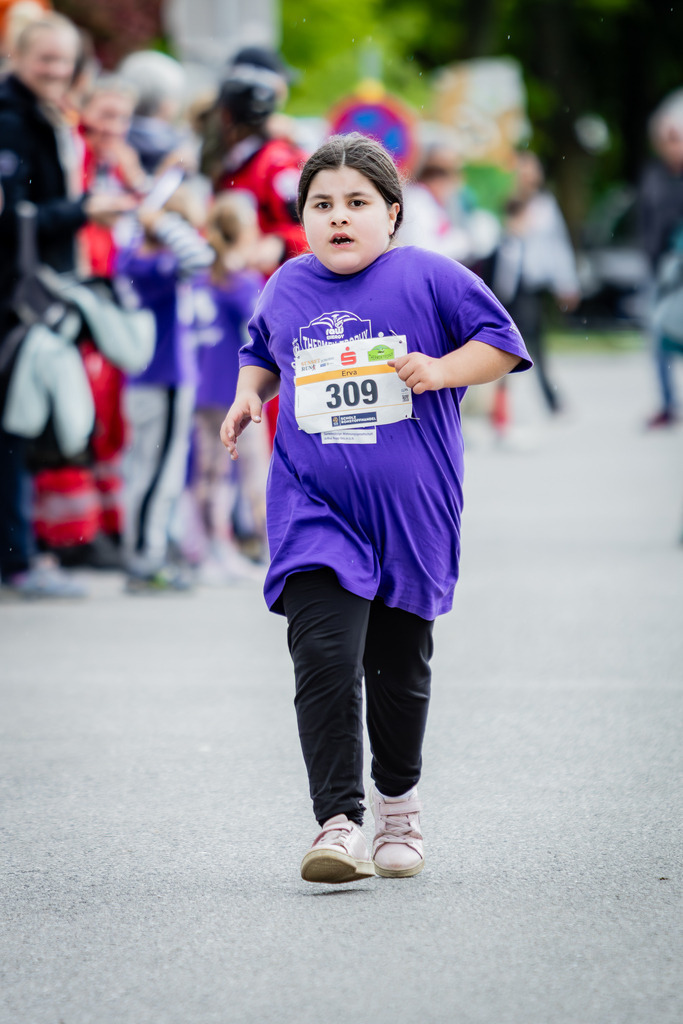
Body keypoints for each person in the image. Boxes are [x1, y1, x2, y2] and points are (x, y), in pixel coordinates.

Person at [220, 133, 531, 884]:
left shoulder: (428, 276)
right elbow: (263, 349)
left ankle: (399, 808)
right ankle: (338, 822)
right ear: (303, 219)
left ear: (391, 214)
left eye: (356, 203)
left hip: (411, 515)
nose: (338, 217)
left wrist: (441, 368)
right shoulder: (287, 284)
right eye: (321, 205)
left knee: (397, 664)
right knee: (323, 654)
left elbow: (502, 343)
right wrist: (246, 395)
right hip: (312, 507)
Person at [0, 13, 134, 597]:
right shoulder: (10, 121)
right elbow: (12, 220)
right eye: (44, 59)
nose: (55, 70)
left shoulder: (47, 116)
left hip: (39, 294)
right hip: (15, 296)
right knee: (14, 424)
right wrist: (84, 212)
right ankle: (18, 559)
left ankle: (23, 553)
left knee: (24, 425)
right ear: (17, 56)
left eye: (64, 60)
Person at [116, 183, 214, 593]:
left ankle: (153, 549)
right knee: (154, 474)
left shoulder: (145, 259)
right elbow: (200, 256)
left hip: (164, 379)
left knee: (162, 472)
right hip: (160, 379)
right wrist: (161, 220)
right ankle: (144, 558)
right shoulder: (143, 263)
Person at [190, 192, 267, 581]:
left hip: (203, 386)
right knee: (250, 469)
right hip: (235, 390)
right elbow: (262, 331)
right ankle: (256, 545)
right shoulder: (241, 281)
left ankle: (211, 550)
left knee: (209, 473)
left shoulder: (202, 279)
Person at [487, 151, 579, 416]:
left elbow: (557, 246)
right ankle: (499, 401)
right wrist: (509, 228)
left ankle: (547, 397)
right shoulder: (502, 203)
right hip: (502, 283)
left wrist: (567, 282)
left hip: (531, 283)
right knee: (499, 338)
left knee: (532, 342)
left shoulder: (544, 205)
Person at [636, 92, 683, 428]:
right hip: (660, 269)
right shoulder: (653, 175)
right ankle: (668, 403)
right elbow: (646, 221)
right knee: (658, 339)